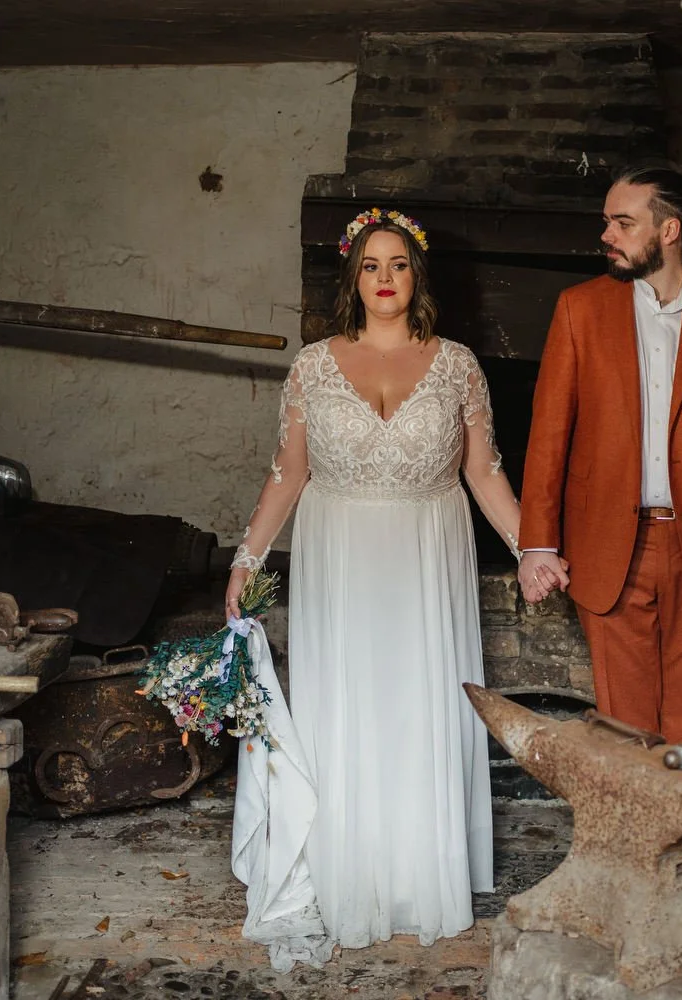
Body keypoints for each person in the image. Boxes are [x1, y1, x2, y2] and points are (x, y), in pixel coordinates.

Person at [226, 208, 525, 966]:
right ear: (352, 277)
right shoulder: (313, 365)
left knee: (419, 702)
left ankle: (423, 877)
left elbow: (482, 472)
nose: (385, 278)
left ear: (416, 275)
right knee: (349, 703)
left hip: (427, 549)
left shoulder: (456, 363)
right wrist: (246, 561)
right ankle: (346, 869)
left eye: (398, 264)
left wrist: (532, 547)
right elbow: (287, 474)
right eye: (371, 265)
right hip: (342, 554)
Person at [516, 164, 682, 748]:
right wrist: (538, 543)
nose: (607, 235)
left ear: (669, 230)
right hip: (610, 546)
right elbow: (548, 436)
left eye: (622, 222)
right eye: (606, 223)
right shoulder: (579, 309)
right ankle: (634, 842)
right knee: (625, 732)